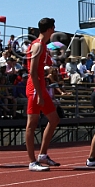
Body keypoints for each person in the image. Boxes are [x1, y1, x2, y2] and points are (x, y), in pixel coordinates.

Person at [24, 18, 61, 171]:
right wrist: (39, 93)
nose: (54, 30)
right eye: (53, 28)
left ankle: (43, 155)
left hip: (40, 87)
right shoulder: (38, 45)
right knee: (31, 125)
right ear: (49, 29)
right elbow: (32, 71)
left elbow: (39, 68)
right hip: (35, 88)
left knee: (54, 119)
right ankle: (32, 161)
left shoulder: (42, 46)